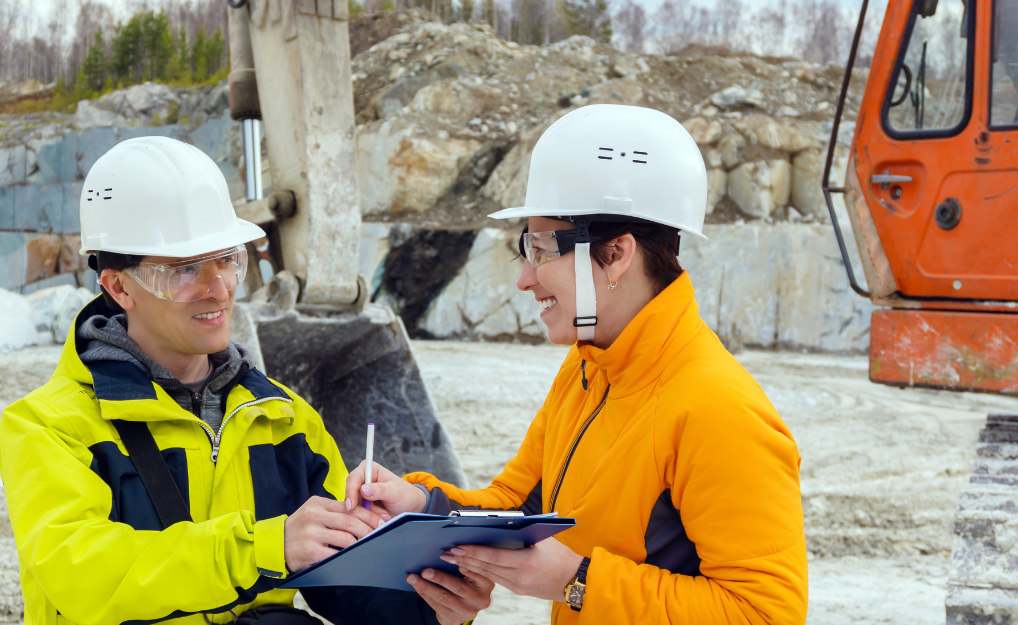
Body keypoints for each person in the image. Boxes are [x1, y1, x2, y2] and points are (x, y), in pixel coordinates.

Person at [0, 137, 493, 625]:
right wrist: (262, 547)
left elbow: (347, 580)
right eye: (185, 269)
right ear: (119, 286)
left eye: (227, 261)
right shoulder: (48, 426)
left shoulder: (283, 419)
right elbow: (82, 574)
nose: (217, 288)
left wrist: (432, 605)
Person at [345, 105, 809, 624]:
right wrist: (420, 506)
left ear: (616, 254)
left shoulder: (718, 410)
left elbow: (766, 614)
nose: (525, 278)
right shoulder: (589, 368)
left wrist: (578, 581)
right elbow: (517, 506)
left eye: (542, 250)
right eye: (527, 248)